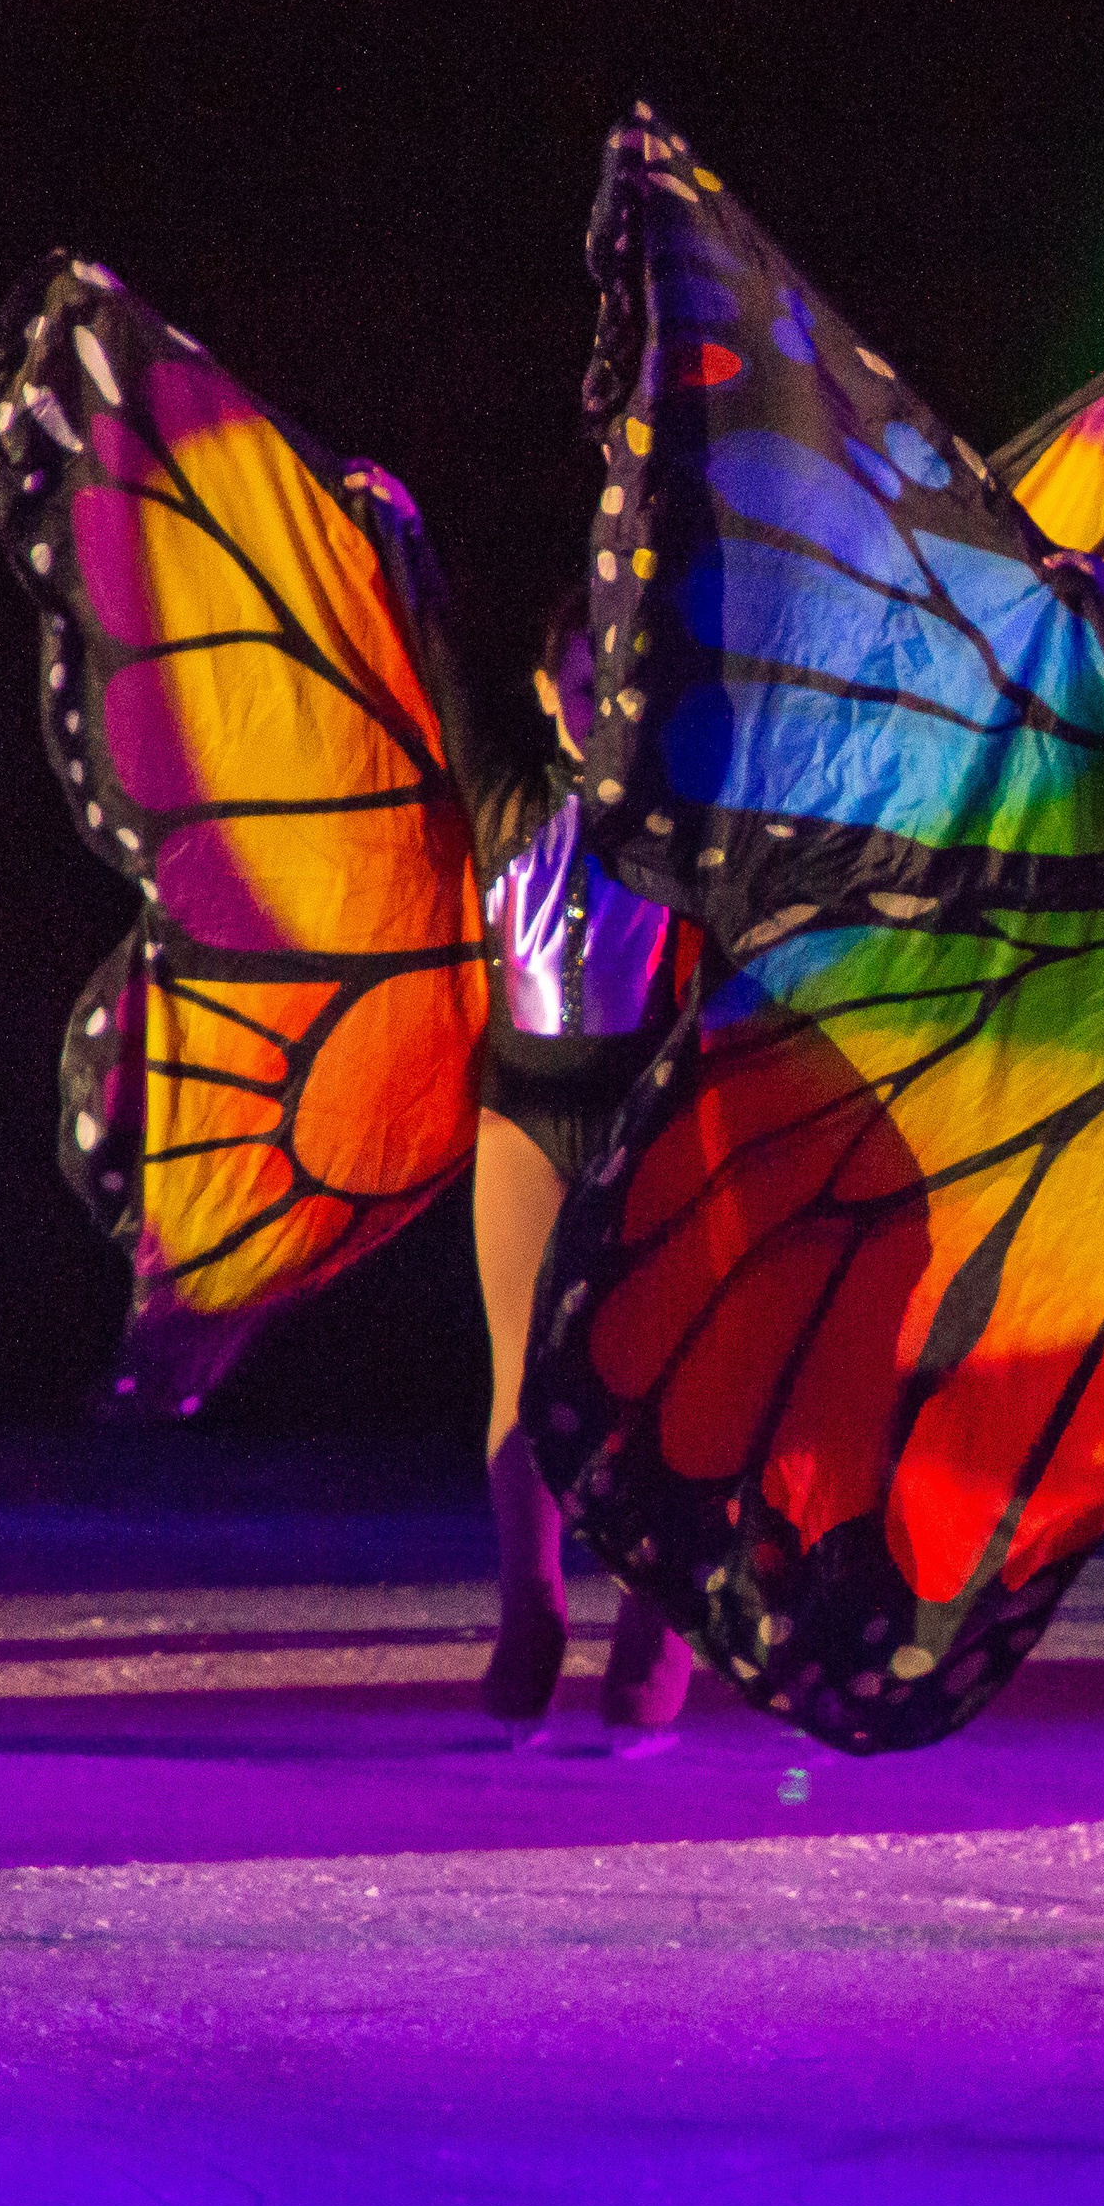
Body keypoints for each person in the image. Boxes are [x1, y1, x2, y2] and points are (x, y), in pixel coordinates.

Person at [448, 598, 699, 1739]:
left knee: (646, 1381)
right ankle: (531, 1610)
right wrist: (395, 536)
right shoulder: (503, 795)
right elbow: (444, 669)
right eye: (582, 687)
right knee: (521, 1379)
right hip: (522, 1111)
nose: (600, 709)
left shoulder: (669, 804)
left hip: (637, 1113)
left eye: (619, 689)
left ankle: (655, 1619)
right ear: (547, 690)